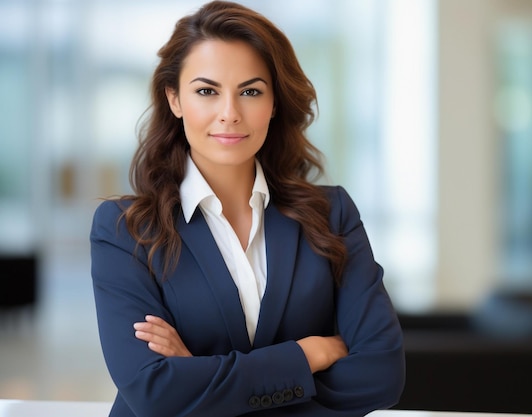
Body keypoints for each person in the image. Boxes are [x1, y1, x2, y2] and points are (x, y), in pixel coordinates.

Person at [90, 1, 405, 416]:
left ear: (274, 102)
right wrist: (305, 356)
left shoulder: (332, 214)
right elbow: (153, 392)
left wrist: (201, 380)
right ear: (174, 99)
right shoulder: (125, 230)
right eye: (206, 91)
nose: (230, 114)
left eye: (251, 91)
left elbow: (381, 375)